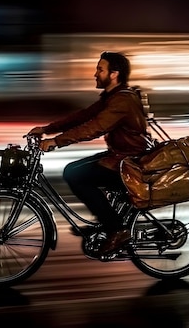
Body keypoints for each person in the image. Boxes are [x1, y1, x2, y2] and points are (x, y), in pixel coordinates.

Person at [28, 51, 151, 255]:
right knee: (75, 169)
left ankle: (116, 230)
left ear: (114, 74)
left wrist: (56, 141)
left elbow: (95, 127)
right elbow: (83, 117)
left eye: (100, 69)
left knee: (75, 175)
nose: (95, 74)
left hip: (131, 161)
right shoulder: (113, 96)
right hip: (121, 155)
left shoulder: (122, 101)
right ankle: (105, 221)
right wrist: (47, 129)